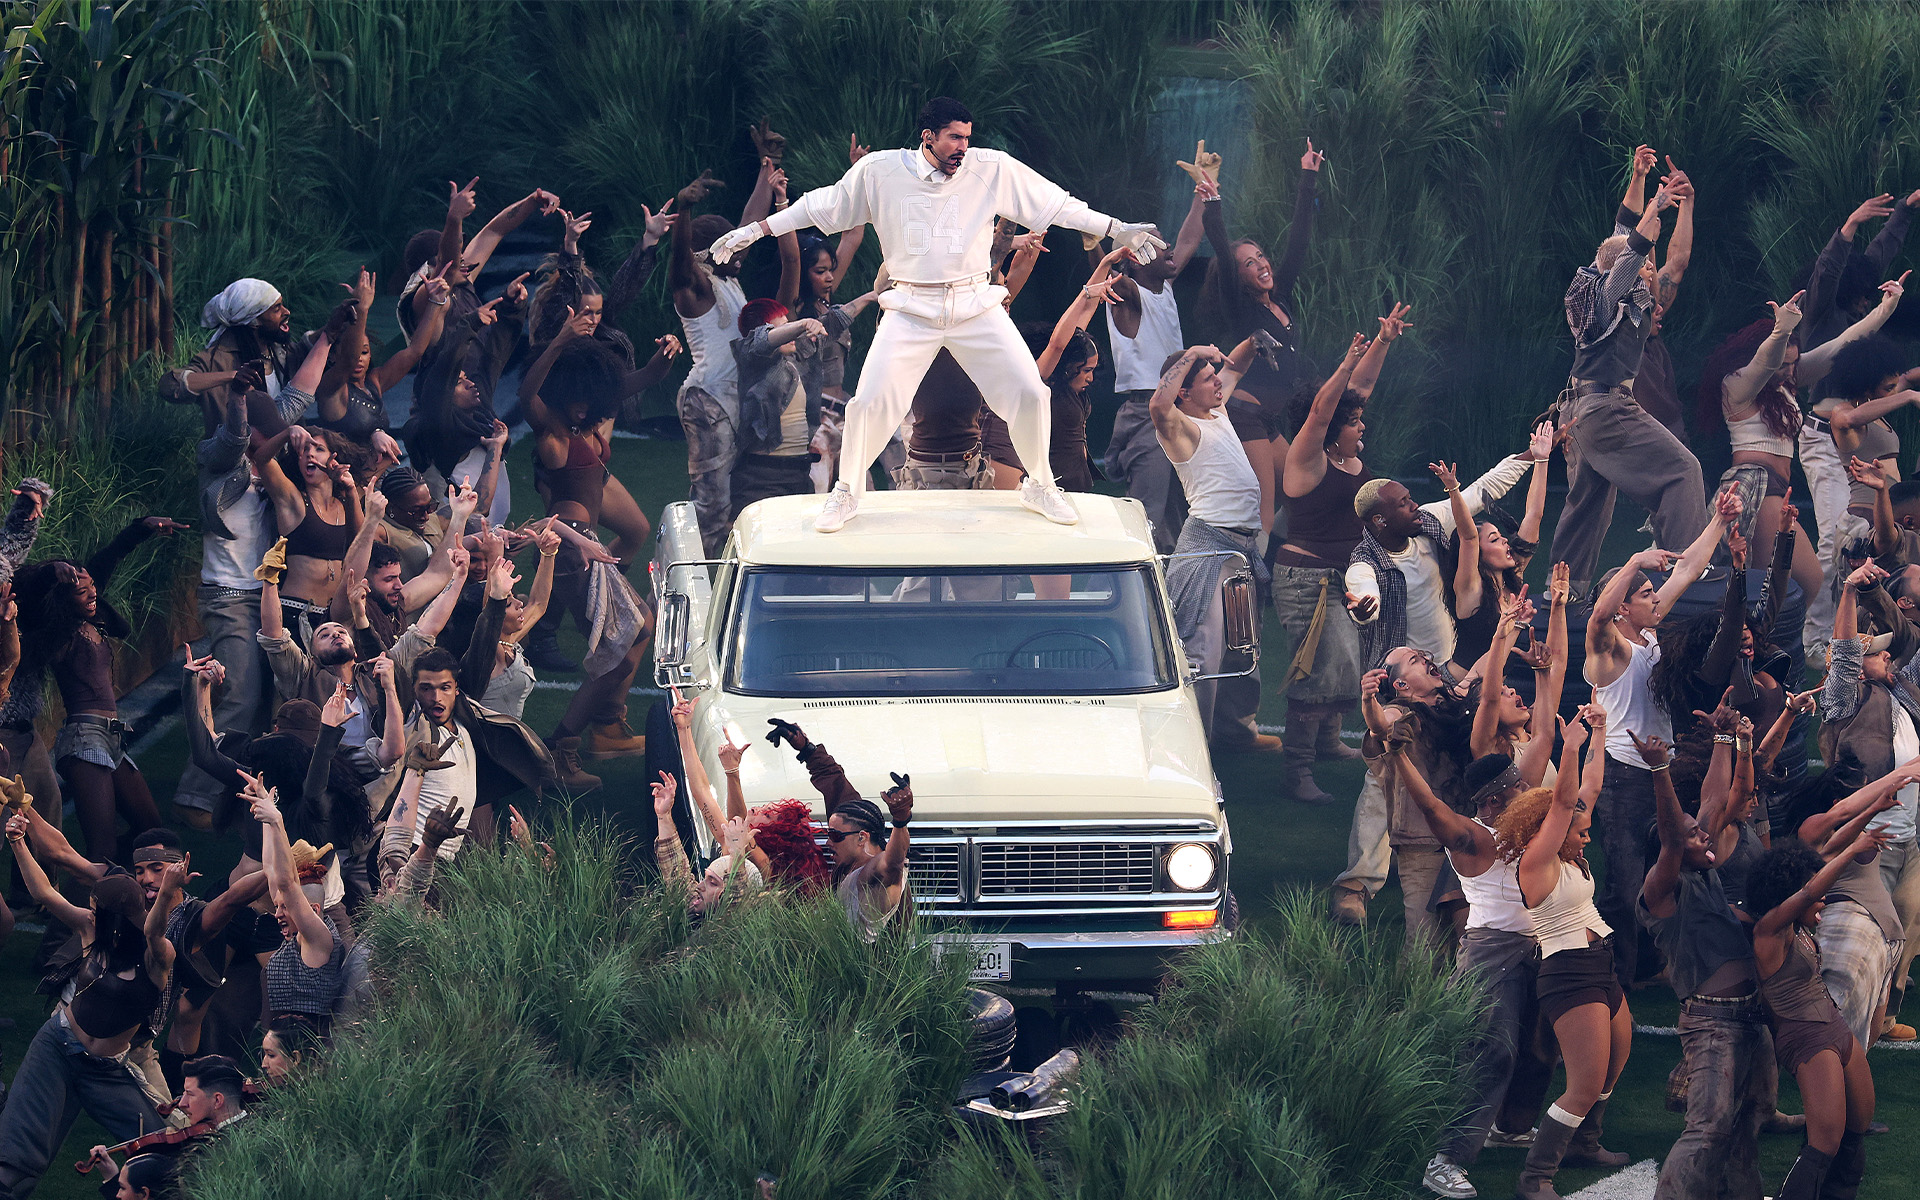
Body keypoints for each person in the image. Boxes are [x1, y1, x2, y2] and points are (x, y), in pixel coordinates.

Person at [710, 96, 1166, 534]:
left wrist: (1115, 227)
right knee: (870, 401)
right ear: (927, 136)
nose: (962, 148)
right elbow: (820, 206)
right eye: (952, 138)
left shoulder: (990, 167)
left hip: (974, 305)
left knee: (1029, 391)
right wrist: (754, 231)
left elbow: (1057, 204)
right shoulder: (881, 171)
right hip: (910, 307)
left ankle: (1040, 485)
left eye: (967, 137)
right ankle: (847, 491)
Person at [1584, 485, 1741, 987]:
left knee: (1669, 863)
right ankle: (1616, 980)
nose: (1658, 598)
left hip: (1659, 771)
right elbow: (1598, 615)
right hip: (1621, 778)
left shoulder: (1648, 632)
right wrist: (1632, 560)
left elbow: (1687, 569)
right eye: (1647, 595)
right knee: (1626, 881)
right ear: (1627, 605)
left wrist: (1718, 519)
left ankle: (1650, 963)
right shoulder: (1607, 650)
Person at [1493, 705, 1632, 1200]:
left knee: (1615, 1062)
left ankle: (1585, 1143)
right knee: (1584, 1082)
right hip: (1569, 972)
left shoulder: (1570, 855)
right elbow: (1564, 803)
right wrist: (1567, 746)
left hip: (1601, 964)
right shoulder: (1537, 862)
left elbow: (1585, 792)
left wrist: (1596, 735)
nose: (1586, 833)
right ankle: (1536, 1178)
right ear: (1548, 834)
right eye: (1579, 831)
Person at [1393, 743, 1541, 1200]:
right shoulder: (1473, 837)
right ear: (1494, 799)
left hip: (1537, 950)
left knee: (1536, 1048)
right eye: (1519, 787)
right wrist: (1399, 756)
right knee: (1488, 1054)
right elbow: (1430, 805)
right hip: (1490, 955)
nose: (1530, 790)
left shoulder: (1522, 825)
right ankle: (1445, 1160)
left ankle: (1508, 1127)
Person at [1273, 315, 1410, 802]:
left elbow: (1360, 388)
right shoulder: (1306, 457)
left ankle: (1329, 743)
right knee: (1319, 667)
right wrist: (1348, 357)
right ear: (1332, 428)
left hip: (1348, 576)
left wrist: (1381, 343)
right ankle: (1298, 772)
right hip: (1307, 580)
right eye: (1352, 421)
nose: (1361, 424)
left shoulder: (1346, 455)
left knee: (1348, 662)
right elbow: (1320, 410)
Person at [1550, 174, 1708, 593]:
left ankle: (1563, 589)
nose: (1651, 271)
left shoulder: (1604, 294)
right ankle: (1685, 578)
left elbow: (1621, 235)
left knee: (1588, 504)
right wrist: (1656, 207)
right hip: (1605, 408)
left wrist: (1638, 178)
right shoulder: (1606, 298)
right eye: (1646, 266)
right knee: (1683, 470)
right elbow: (1626, 256)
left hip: (1579, 412)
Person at [0, 828, 173, 1198]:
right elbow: (43, 893)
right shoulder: (89, 929)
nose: (88, 913)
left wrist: (169, 891)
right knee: (16, 1153)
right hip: (57, 1046)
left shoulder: (155, 957)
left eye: (97, 909)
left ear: (118, 917)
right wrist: (17, 841)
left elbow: (155, 929)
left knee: (159, 1146)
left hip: (106, 1070)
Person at [1636, 729, 1770, 1200]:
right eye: (1694, 833)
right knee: (1709, 1127)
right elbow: (1675, 837)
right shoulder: (1662, 889)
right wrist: (1659, 770)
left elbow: (1713, 798)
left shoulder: (1705, 871)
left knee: (1752, 1117)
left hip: (1752, 1017)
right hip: (1713, 1024)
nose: (1703, 833)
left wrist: (1722, 737)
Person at [13, 516, 187, 861]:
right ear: (64, 599)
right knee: (102, 844)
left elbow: (106, 560)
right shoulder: (57, 633)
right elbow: (30, 598)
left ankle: (112, 883)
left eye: (92, 585)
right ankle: (87, 906)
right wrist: (50, 576)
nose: (93, 592)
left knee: (151, 830)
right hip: (83, 740)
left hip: (113, 738)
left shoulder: (90, 617)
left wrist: (141, 528)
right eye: (81, 590)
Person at [1748, 803, 1896, 1200]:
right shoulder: (1769, 931)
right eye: (1815, 899)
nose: (1823, 902)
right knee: (1824, 1143)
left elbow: (1819, 861)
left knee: (1856, 1128)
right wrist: (1850, 853)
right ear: (1790, 894)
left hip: (1834, 1027)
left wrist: (1872, 812)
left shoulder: (1795, 927)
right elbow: (1813, 886)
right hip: (1806, 1039)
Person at [1149, 344, 1277, 752]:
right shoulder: (1180, 426)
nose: (1218, 382)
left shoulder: (1215, 411)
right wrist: (1192, 353)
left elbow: (1233, 366)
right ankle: (1193, 751)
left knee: (1242, 647)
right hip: (1207, 548)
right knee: (1201, 656)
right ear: (1185, 392)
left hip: (1239, 548)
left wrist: (1254, 344)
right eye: (1207, 379)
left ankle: (1237, 733)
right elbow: (1157, 402)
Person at [1199, 141, 1324, 539]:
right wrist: (1213, 204)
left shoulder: (1280, 297)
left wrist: (1308, 176)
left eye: (1261, 257)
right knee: (1265, 509)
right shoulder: (1240, 308)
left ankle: (1271, 561)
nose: (1262, 265)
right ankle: (1253, 585)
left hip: (1271, 420)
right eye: (1249, 264)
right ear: (1239, 277)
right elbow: (1220, 245)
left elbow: (1298, 243)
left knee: (1303, 492)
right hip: (1246, 415)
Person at [1102, 176, 1210, 551]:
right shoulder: (1127, 294)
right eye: (1156, 243)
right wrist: (1097, 250)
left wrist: (1201, 196)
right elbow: (1108, 278)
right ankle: (1131, 588)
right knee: (1149, 511)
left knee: (1179, 512)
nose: (1169, 249)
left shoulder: (1164, 290)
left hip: (1178, 408)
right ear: (1136, 257)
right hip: (1149, 412)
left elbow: (1188, 241)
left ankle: (1172, 591)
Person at [250, 423, 361, 648]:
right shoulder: (293, 499)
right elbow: (261, 459)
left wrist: (350, 490)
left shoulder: (345, 503)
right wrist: (287, 433)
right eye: (304, 451)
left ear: (334, 459)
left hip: (334, 618)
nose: (310, 453)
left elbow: (360, 543)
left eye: (319, 449)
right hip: (295, 611)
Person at [160, 278, 295, 434]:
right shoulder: (217, 359)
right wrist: (232, 376)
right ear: (254, 321)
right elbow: (168, 386)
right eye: (277, 308)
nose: (287, 312)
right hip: (238, 454)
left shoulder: (280, 351)